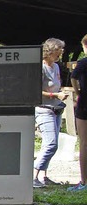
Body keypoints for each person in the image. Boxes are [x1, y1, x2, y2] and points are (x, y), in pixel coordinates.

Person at [33, 38, 69, 188]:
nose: (61, 52)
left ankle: (43, 176)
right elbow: (35, 91)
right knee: (51, 145)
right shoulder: (40, 67)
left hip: (56, 108)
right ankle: (33, 174)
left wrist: (60, 93)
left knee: (48, 144)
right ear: (50, 51)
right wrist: (55, 95)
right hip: (44, 109)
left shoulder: (56, 67)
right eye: (59, 49)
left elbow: (54, 86)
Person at [68, 34, 87, 191]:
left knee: (84, 143)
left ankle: (84, 181)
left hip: (85, 104)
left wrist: (78, 91)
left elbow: (73, 77)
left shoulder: (83, 62)